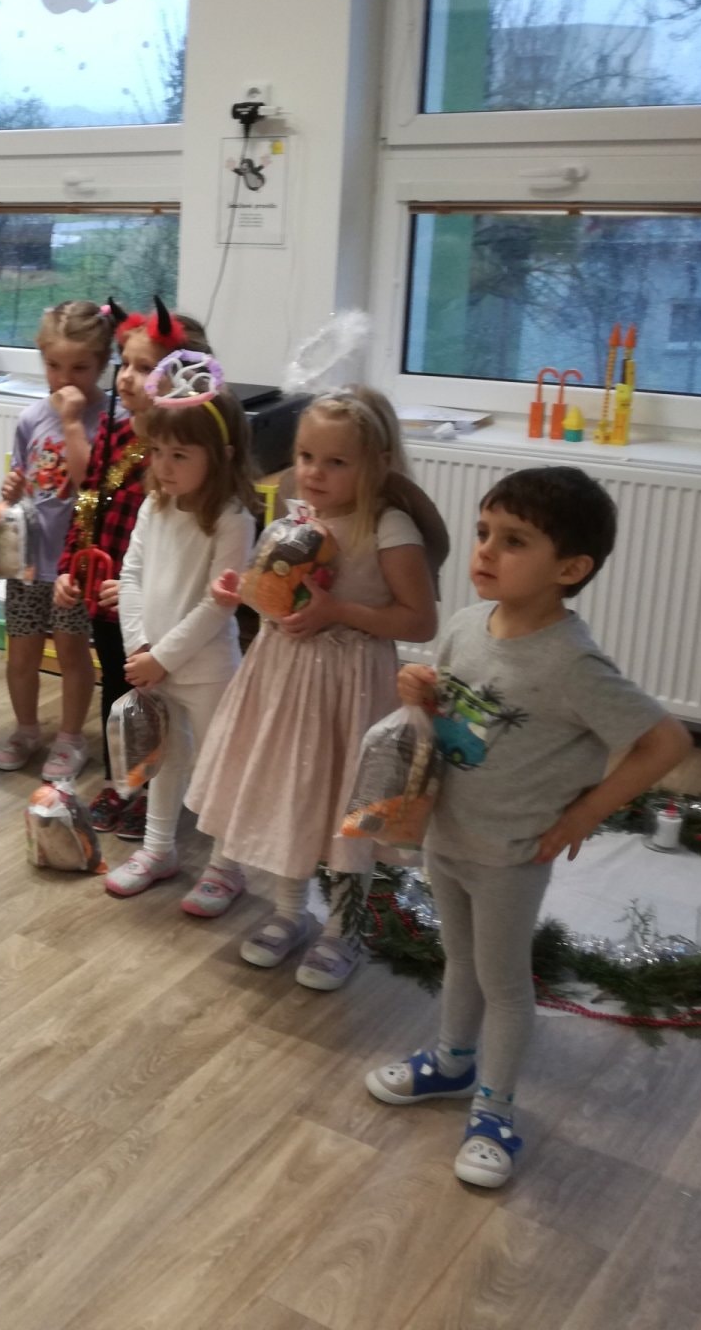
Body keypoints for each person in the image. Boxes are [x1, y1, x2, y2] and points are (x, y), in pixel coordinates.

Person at [368, 467, 689, 1188]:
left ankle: (495, 1110)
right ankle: (452, 1061)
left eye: (513, 541)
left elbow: (666, 743)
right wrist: (420, 688)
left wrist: (584, 813)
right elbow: (449, 708)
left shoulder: (573, 662)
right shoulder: (463, 625)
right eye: (484, 532)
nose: (485, 550)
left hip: (511, 853)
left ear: (570, 569)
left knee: (505, 983)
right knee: (459, 960)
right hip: (448, 832)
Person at [185, 387, 442, 990]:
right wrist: (240, 592)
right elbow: (274, 593)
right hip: (283, 679)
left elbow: (419, 621)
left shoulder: (388, 527)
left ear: (377, 464)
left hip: (350, 688)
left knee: (347, 807)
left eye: (335, 461)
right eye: (305, 457)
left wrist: (338, 611)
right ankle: (288, 912)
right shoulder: (296, 517)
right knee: (293, 794)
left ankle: (343, 929)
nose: (314, 473)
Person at [56, 301, 213, 837]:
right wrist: (69, 567)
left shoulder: (182, 458)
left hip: (157, 608)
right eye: (124, 362)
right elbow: (88, 501)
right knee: (117, 694)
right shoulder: (113, 432)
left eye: (144, 367)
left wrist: (134, 592)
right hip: (106, 602)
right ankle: (122, 780)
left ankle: (155, 792)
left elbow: (178, 549)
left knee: (163, 702)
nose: (126, 376)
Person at [97, 372, 257, 898]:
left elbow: (219, 604)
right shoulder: (154, 505)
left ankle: (225, 867)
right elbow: (131, 577)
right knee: (163, 759)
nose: (163, 466)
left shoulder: (233, 520)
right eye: (157, 451)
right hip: (154, 665)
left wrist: (161, 657)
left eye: (180, 455)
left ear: (221, 456)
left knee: (217, 766)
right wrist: (139, 648)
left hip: (206, 670)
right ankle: (158, 849)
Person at [0, 300, 112, 781]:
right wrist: (12, 489)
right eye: (54, 365)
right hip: (27, 559)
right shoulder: (29, 419)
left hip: (76, 564)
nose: (65, 378)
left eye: (79, 367)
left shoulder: (110, 419)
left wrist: (71, 421)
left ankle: (70, 737)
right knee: (20, 652)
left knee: (71, 652)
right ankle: (26, 730)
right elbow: (27, 482)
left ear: (102, 364)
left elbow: (90, 485)